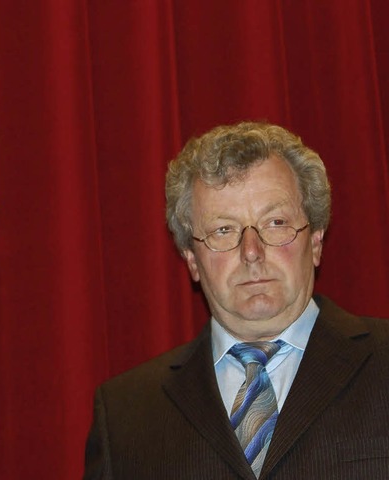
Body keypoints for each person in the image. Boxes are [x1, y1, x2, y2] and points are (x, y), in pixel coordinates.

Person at [84, 121, 389, 479]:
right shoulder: (125, 417)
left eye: (275, 222)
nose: (251, 252)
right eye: (223, 230)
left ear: (316, 240)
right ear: (192, 259)